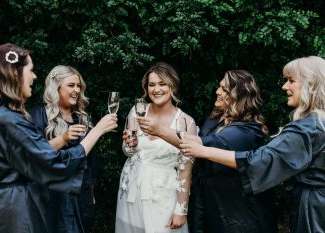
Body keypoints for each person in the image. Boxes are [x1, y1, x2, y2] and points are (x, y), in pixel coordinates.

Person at [0, 43, 118, 233]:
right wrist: (96, 131)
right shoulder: (12, 121)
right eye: (31, 70)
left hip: (7, 203)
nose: (35, 76)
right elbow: (51, 162)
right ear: (14, 74)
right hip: (18, 207)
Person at [180, 56, 325, 233]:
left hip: (314, 209)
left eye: (291, 81)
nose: (284, 86)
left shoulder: (309, 127)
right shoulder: (318, 123)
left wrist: (203, 151)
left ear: (311, 85)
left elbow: (259, 161)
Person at [141, 70, 278, 233]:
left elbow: (206, 144)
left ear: (238, 95)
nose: (217, 91)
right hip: (211, 197)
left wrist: (160, 131)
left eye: (224, 89)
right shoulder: (216, 117)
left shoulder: (248, 129)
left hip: (238, 206)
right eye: (219, 87)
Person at [115, 62, 197, 233]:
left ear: (172, 85)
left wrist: (181, 210)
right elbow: (127, 150)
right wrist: (130, 145)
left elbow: (185, 170)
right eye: (152, 84)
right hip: (131, 191)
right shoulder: (137, 111)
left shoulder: (186, 122)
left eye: (162, 84)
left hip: (162, 194)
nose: (156, 89)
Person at [29, 65, 101, 233]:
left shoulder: (82, 118)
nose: (76, 90)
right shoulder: (38, 115)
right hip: (52, 194)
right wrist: (63, 138)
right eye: (71, 85)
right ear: (56, 87)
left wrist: (91, 190)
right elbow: (34, 154)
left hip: (80, 194)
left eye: (79, 86)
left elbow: (92, 159)